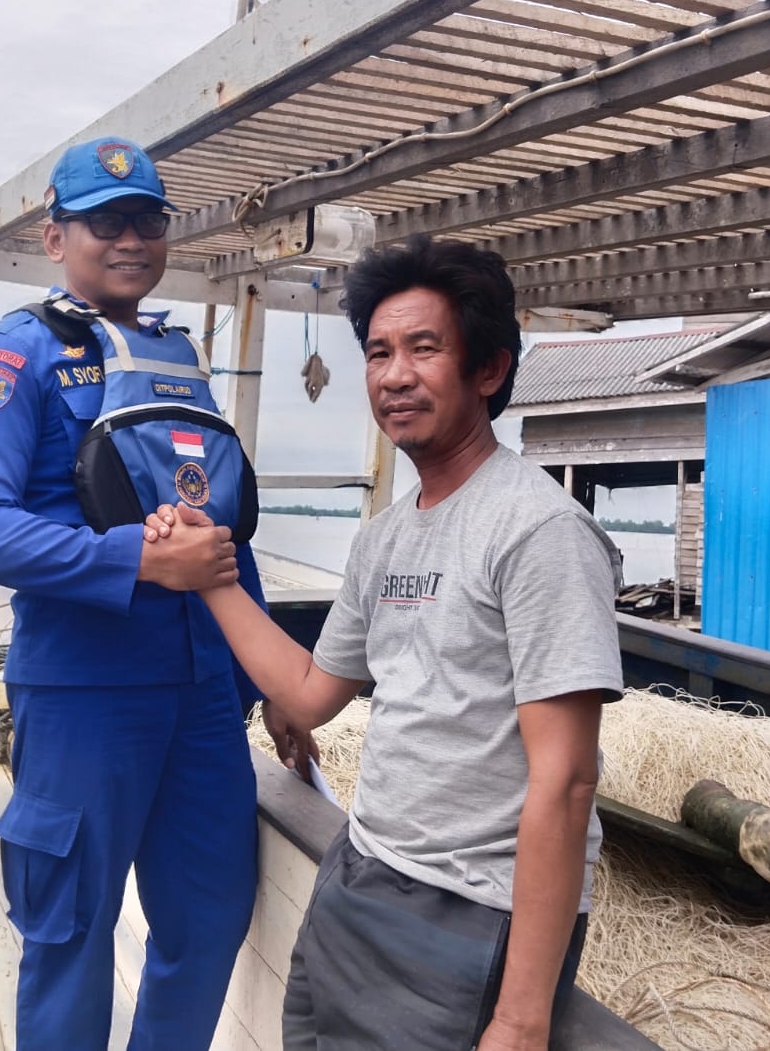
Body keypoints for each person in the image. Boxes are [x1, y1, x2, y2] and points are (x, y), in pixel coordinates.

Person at [146, 237, 624, 1050]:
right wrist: (214, 576)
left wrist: (519, 1016)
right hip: (361, 871)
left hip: (467, 913)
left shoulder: (539, 531)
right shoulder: (386, 537)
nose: (394, 375)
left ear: (489, 370)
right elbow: (305, 694)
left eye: (423, 348)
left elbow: (568, 779)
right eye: (378, 351)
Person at [0, 136, 312, 1050]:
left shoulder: (179, 360)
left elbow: (221, 536)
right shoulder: (12, 356)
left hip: (199, 701)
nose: (130, 239)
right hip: (83, 697)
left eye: (147, 221)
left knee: (209, 918)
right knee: (70, 933)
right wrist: (135, 563)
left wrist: (269, 688)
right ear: (53, 233)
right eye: (105, 222)